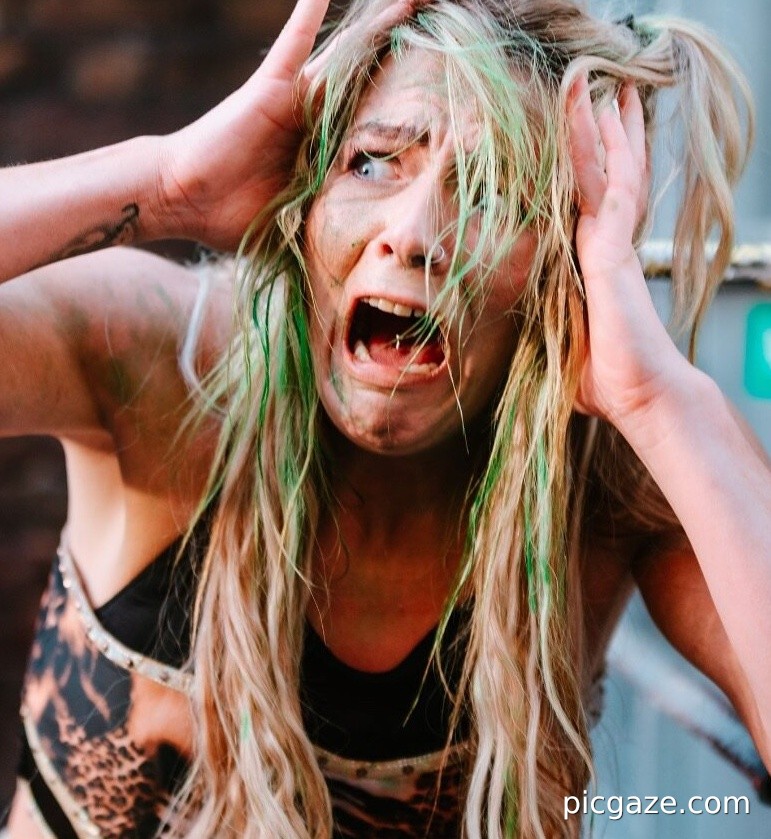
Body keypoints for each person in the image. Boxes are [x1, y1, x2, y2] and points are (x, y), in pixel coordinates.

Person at [2, 0, 770, 836]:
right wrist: (163, 186)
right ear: (307, 197)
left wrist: (658, 400)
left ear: (564, 269)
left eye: (495, 194)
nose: (412, 234)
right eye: (371, 163)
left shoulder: (617, 469)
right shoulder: (164, 356)